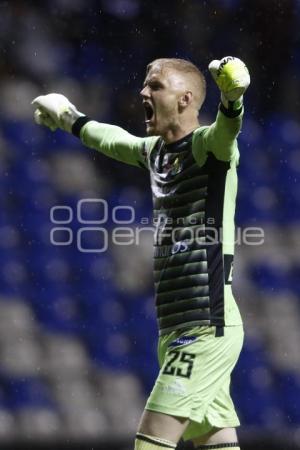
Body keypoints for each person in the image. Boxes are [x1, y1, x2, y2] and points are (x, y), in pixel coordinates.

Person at [32, 56, 250, 450]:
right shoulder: (156, 153)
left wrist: (232, 99)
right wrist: (69, 117)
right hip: (176, 327)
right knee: (216, 444)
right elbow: (113, 140)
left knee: (150, 442)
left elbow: (228, 130)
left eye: (155, 86)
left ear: (185, 100)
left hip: (204, 326)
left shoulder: (208, 149)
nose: (143, 92)